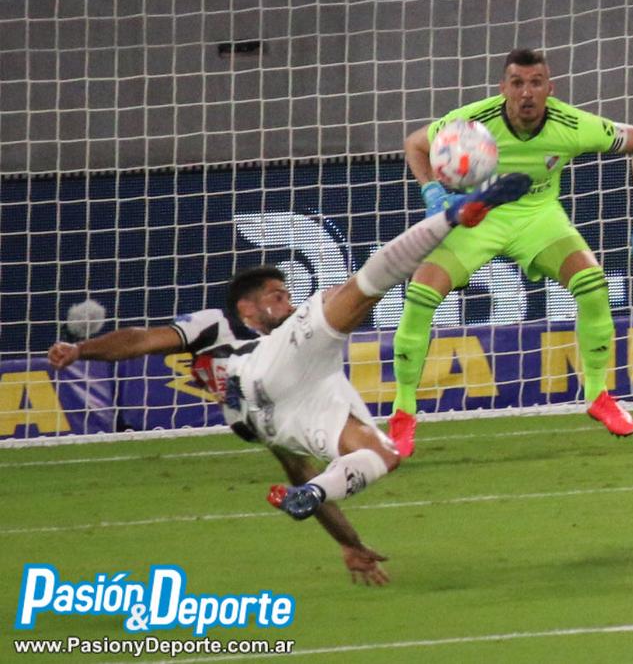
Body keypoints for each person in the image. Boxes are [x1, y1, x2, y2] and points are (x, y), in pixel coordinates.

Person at [47, 174, 531, 584]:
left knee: (384, 454)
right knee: (358, 290)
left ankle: (319, 495)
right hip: (258, 370)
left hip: (278, 416)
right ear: (247, 309)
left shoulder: (281, 357)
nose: (287, 302)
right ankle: (453, 217)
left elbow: (296, 470)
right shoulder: (216, 326)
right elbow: (140, 340)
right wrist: (82, 350)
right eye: (277, 296)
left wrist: (348, 542)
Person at [389, 48, 633, 456]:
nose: (526, 93)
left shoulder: (571, 125)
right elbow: (415, 144)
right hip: (480, 215)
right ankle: (403, 413)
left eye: (536, 83)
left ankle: (597, 394)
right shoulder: (472, 122)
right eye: (517, 83)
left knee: (593, 284)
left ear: (550, 89)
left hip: (538, 217)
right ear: (503, 88)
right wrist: (432, 193)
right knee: (420, 295)